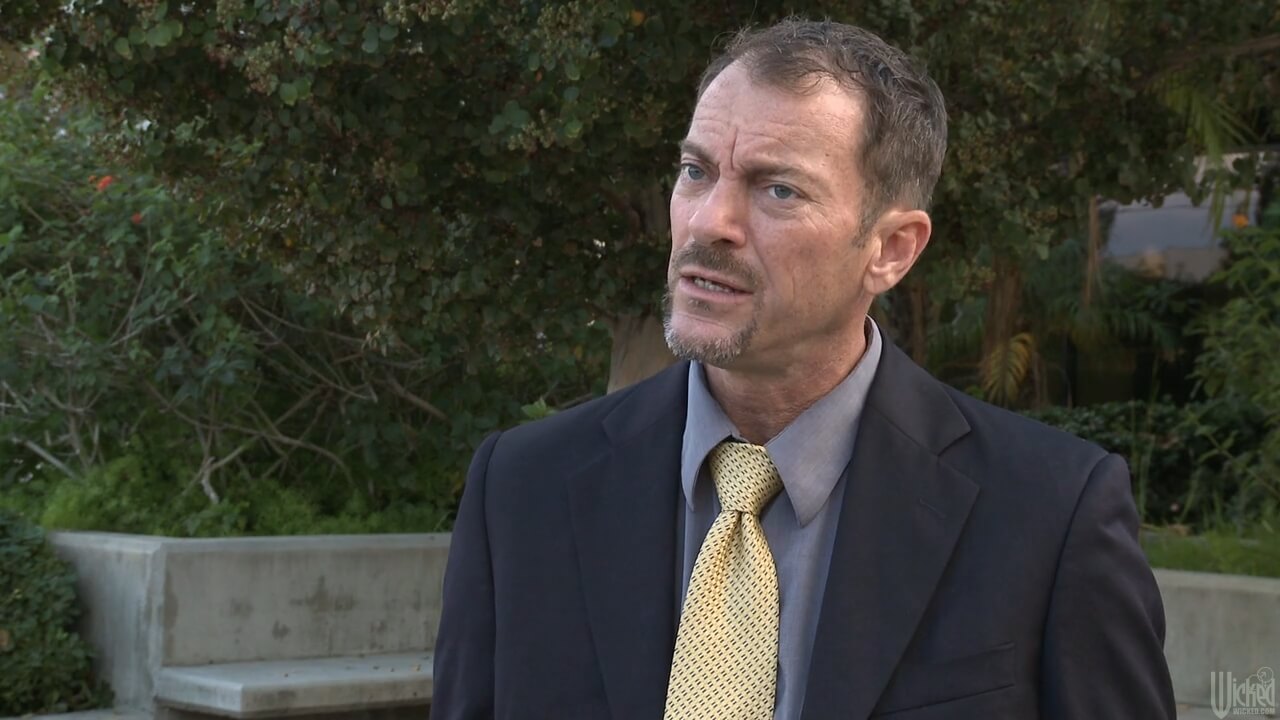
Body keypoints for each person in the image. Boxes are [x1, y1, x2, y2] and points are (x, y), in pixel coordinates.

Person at [433, 18, 1176, 720]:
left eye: (778, 189)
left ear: (891, 249)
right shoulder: (522, 489)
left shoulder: (1050, 515)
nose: (708, 222)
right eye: (695, 171)